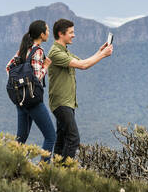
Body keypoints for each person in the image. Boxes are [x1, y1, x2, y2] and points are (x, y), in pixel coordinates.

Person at [47, 18, 113, 160]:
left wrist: (99, 51)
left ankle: (56, 171)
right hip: (61, 103)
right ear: (61, 34)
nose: (73, 35)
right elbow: (83, 66)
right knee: (73, 138)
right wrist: (103, 54)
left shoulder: (64, 51)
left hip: (67, 102)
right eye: (71, 32)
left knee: (62, 138)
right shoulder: (55, 53)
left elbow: (82, 61)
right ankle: (65, 171)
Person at [6, 20, 57, 162]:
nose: (48, 33)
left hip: (20, 100)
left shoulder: (23, 48)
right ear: (41, 34)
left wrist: (20, 80)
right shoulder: (38, 51)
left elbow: (8, 67)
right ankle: (43, 170)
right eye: (47, 30)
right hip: (32, 100)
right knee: (50, 136)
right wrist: (45, 66)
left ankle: (11, 167)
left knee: (20, 138)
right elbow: (35, 77)